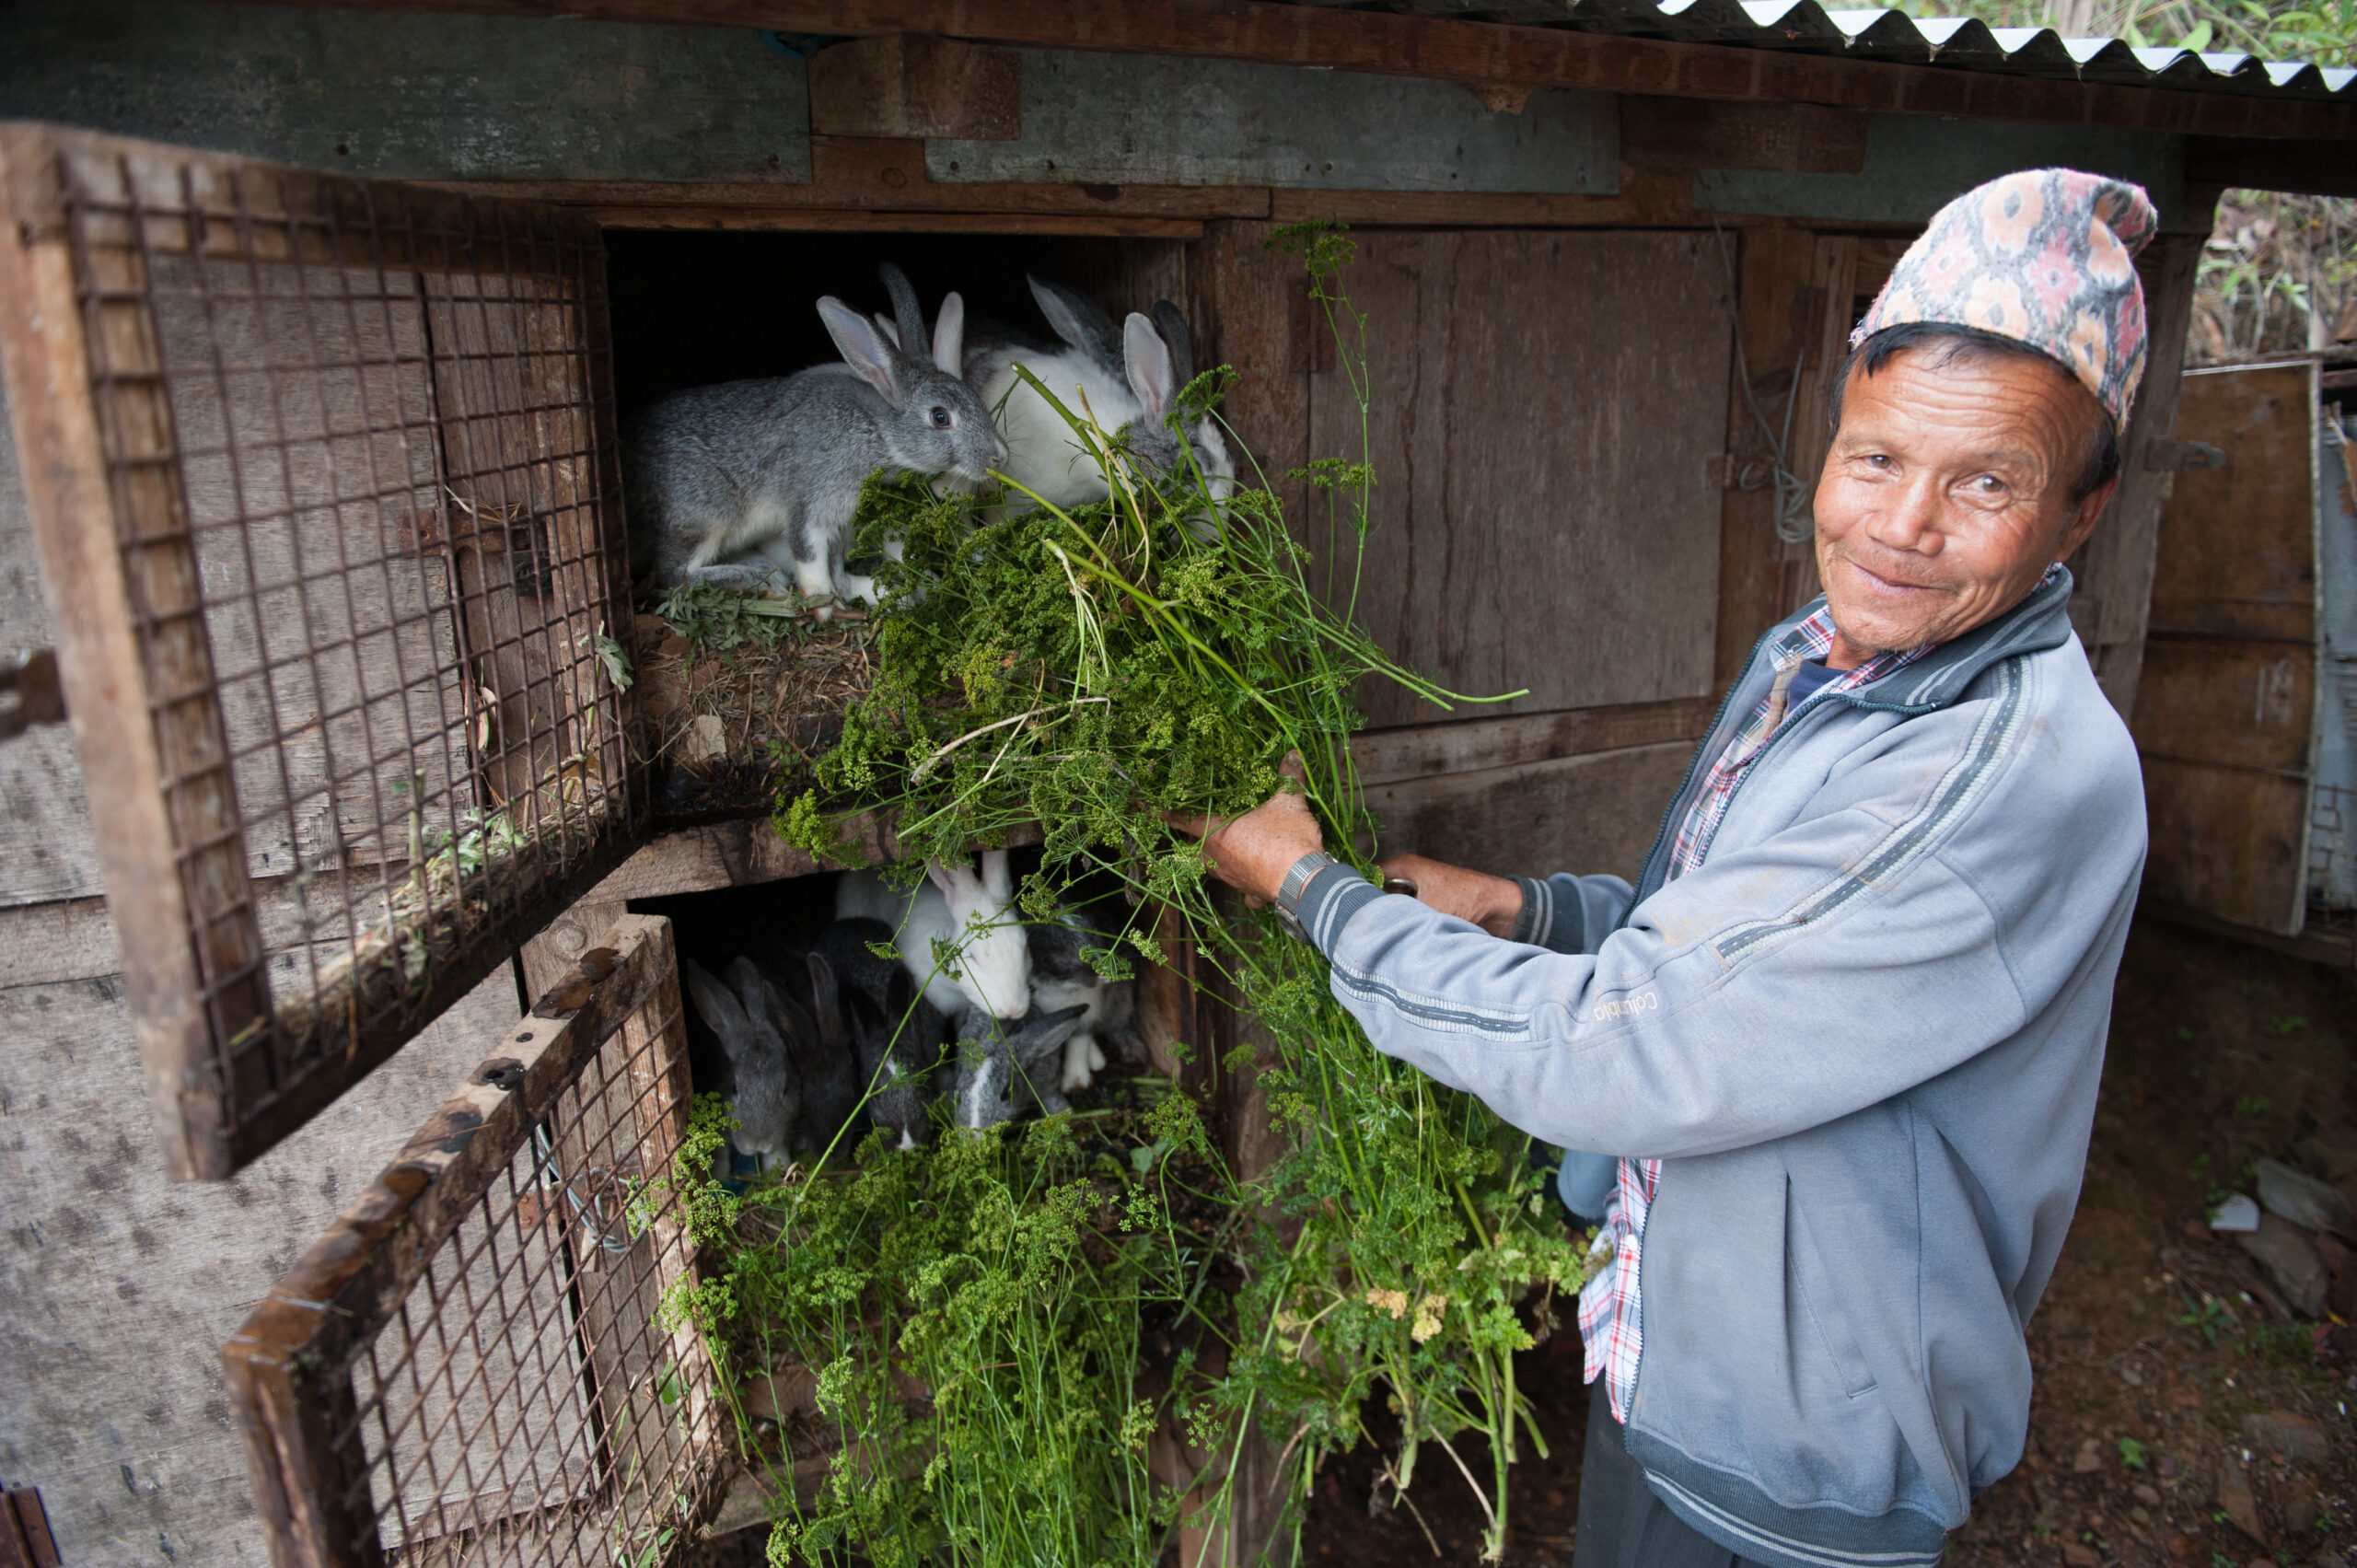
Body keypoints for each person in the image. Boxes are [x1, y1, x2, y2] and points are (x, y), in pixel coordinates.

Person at [1192, 168, 2157, 1568]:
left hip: (1804, 1435)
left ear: (2081, 514)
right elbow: (1738, 944)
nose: (1902, 525)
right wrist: (1530, 911)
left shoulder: (1999, 775)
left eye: (1987, 484)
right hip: (1687, 1352)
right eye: (1877, 458)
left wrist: (1312, 893)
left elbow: (1631, 1048)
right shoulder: (1832, 659)